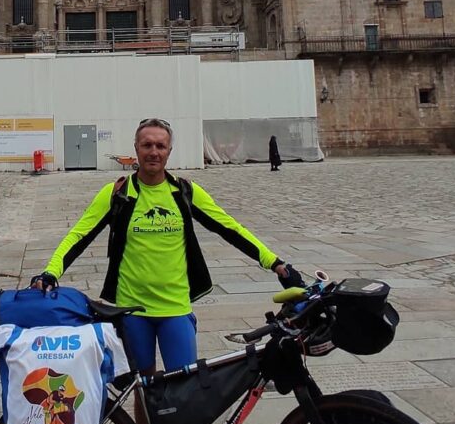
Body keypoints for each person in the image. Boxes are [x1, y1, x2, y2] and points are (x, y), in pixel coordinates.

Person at [33, 117, 302, 373]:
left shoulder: (184, 192)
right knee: (144, 389)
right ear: (136, 148)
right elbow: (79, 235)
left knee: (183, 386)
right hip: (132, 310)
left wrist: (275, 263)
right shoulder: (118, 193)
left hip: (175, 309)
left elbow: (230, 228)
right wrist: (51, 272)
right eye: (147, 145)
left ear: (169, 151)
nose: (153, 152)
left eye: (160, 146)